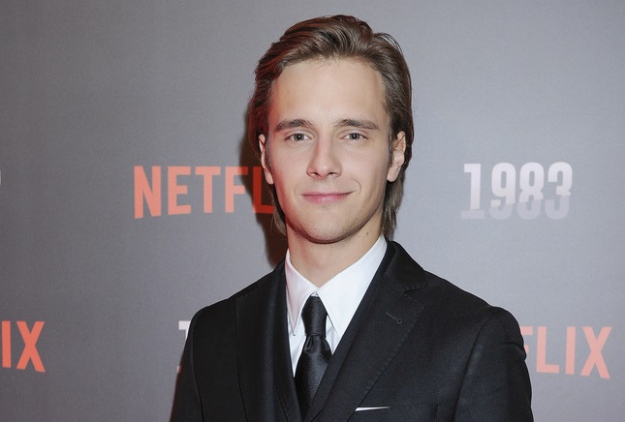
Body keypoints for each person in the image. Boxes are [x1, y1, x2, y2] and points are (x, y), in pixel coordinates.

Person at [171, 15, 533, 422]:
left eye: (353, 135)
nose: (323, 163)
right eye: (298, 135)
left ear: (396, 153)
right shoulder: (213, 337)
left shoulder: (472, 340)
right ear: (266, 157)